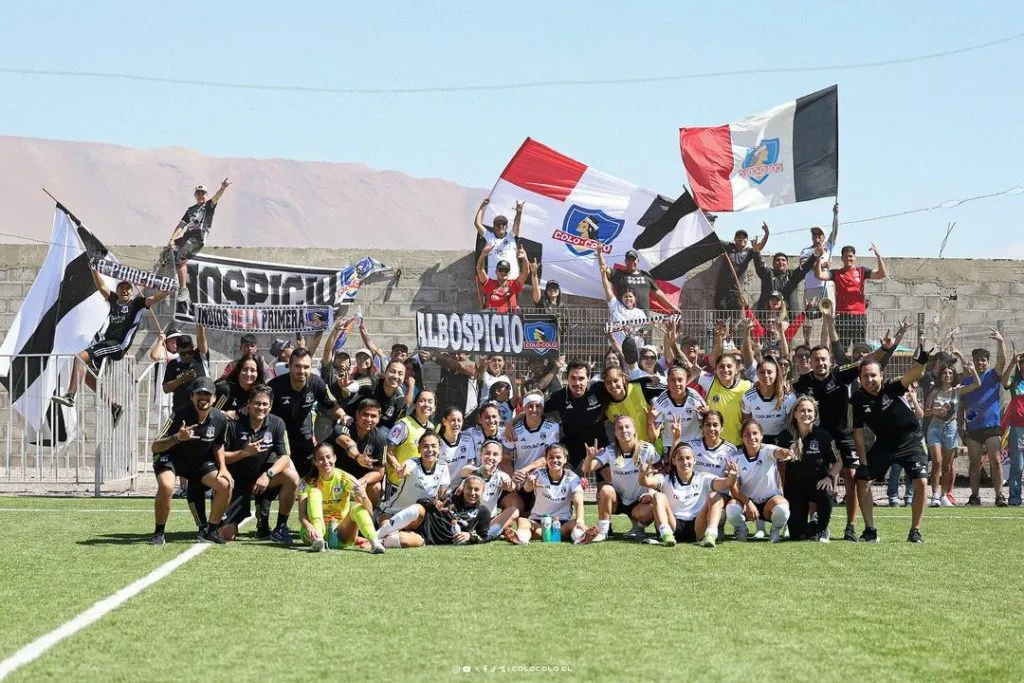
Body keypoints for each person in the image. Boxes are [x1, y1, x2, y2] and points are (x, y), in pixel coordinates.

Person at [793, 327, 905, 542]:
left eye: (824, 359)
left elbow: (867, 361)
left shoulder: (840, 373)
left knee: (852, 477)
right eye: (816, 360)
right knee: (817, 477)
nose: (820, 364)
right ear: (811, 362)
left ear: (830, 360)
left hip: (844, 435)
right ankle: (818, 522)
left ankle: (850, 526)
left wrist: (885, 348)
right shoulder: (803, 381)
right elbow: (781, 386)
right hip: (820, 436)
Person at [53, 271, 169, 423]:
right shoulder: (114, 299)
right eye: (122, 288)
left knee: (80, 357)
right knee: (89, 377)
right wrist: (93, 270)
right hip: (106, 343)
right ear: (118, 290)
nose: (125, 291)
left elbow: (155, 298)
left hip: (118, 345)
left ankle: (70, 396)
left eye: (128, 288)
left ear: (132, 290)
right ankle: (113, 405)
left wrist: (168, 289)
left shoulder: (137, 303)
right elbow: (101, 287)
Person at [851, 347, 932, 543]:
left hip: (911, 440)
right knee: (862, 481)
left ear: (882, 375)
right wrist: (862, 462)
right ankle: (870, 531)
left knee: (920, 482)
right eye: (865, 376)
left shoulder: (892, 387)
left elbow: (913, 374)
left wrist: (922, 360)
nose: (869, 380)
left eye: (873, 376)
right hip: (885, 445)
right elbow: (858, 432)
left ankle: (915, 531)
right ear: (860, 378)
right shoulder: (858, 399)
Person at [149, 377, 233, 545]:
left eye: (207, 394)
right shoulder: (179, 414)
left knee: (226, 484)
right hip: (171, 458)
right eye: (199, 394)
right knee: (166, 486)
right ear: (192, 397)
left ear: (215, 398)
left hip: (198, 462)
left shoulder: (220, 419)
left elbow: (218, 445)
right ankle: (159, 533)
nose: (203, 398)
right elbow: (155, 446)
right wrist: (178, 438)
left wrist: (223, 467)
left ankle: (211, 530)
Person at [641, 417, 736, 547]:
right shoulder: (667, 478)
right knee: (658, 496)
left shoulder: (703, 477)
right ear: (674, 461)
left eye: (688, 458)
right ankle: (666, 535)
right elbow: (646, 482)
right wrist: (643, 474)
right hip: (673, 524)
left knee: (715, 496)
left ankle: (710, 535)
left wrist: (732, 476)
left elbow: (726, 483)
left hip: (697, 526)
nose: (685, 462)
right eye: (680, 459)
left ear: (694, 460)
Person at [221, 385, 298, 542]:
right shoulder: (234, 422)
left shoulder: (277, 423)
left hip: (264, 479)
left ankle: (280, 528)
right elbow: (221, 457)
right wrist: (244, 453)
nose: (260, 407)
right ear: (248, 404)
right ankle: (255, 511)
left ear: (270, 406)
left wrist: (267, 474)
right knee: (226, 535)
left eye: (265, 404)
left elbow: (285, 457)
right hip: (238, 481)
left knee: (292, 476)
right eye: (256, 403)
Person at [581, 416, 660, 543]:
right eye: (619, 428)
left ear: (634, 429)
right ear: (615, 433)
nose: (624, 430)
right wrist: (589, 458)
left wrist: (650, 493)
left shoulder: (647, 449)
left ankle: (638, 529)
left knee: (654, 504)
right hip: (617, 500)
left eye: (627, 427)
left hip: (639, 500)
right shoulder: (610, 450)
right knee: (605, 489)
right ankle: (603, 531)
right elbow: (587, 468)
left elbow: (656, 473)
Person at [267, 348, 345, 479]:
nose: (301, 371)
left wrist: (344, 416)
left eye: (306, 367)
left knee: (309, 474)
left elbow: (332, 406)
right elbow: (261, 408)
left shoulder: (316, 383)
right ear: (290, 366)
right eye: (297, 366)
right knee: (283, 475)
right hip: (278, 435)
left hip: (303, 434)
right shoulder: (275, 386)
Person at [297, 443, 385, 553]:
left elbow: (369, 512)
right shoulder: (306, 482)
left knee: (357, 507)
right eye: (320, 459)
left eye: (328, 457)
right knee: (315, 492)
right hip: (312, 533)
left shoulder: (345, 478)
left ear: (334, 458)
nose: (325, 462)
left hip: (340, 534)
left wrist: (363, 495)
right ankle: (318, 541)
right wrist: (309, 526)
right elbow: (302, 515)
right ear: (314, 462)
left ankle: (375, 543)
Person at [776, 396, 840, 542]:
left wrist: (829, 477)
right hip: (795, 490)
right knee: (796, 536)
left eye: (810, 411)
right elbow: (776, 462)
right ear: (795, 414)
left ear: (815, 414)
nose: (806, 414)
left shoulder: (823, 436)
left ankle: (823, 529)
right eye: (802, 410)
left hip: (817, 487)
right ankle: (812, 526)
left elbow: (838, 462)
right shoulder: (785, 436)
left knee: (826, 492)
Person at [923, 353, 979, 507]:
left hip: (951, 429)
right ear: (941, 376)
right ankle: (934, 495)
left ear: (953, 375)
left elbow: (977, 384)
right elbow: (924, 412)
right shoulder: (934, 392)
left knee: (947, 465)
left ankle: (944, 495)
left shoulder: (958, 390)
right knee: (937, 462)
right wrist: (935, 411)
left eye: (950, 373)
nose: (947, 375)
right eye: (945, 373)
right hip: (934, 428)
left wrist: (973, 370)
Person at [377, 475, 492, 548]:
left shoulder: (483, 511)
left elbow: (484, 537)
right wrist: (432, 504)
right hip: (424, 521)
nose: (472, 493)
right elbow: (421, 502)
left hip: (429, 538)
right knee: (416, 509)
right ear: (463, 489)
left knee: (401, 540)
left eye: (476, 490)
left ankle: (380, 541)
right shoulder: (451, 498)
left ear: (483, 491)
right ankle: (374, 537)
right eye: (469, 488)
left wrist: (470, 536)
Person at [502, 444, 587, 545]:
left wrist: (580, 520)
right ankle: (521, 538)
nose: (555, 460)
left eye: (558, 457)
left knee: (575, 524)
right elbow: (527, 489)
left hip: (561, 524)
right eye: (551, 457)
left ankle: (580, 537)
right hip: (538, 523)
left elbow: (578, 501)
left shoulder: (573, 477)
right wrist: (529, 484)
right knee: (523, 521)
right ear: (546, 459)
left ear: (565, 459)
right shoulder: (538, 473)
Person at [724, 420, 792, 543]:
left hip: (769, 502)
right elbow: (733, 487)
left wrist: (787, 452)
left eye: (755, 433)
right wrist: (748, 503)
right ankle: (741, 529)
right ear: (741, 437)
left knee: (782, 508)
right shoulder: (734, 456)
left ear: (761, 435)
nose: (752, 437)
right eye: (747, 434)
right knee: (732, 508)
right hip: (746, 502)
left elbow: (779, 452)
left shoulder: (768, 450)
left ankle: (775, 531)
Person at [813, 242, 887, 353]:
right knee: (841, 348)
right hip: (842, 316)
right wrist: (819, 257)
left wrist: (878, 256)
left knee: (860, 348)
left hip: (859, 316)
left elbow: (881, 274)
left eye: (851, 256)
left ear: (855, 258)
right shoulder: (836, 273)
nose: (849, 258)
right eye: (846, 256)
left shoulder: (862, 271)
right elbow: (819, 275)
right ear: (842, 258)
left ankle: (859, 368)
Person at [962, 330, 1008, 506]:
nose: (980, 362)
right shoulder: (966, 381)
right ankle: (974, 496)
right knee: (974, 464)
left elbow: (1002, 361)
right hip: (973, 429)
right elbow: (961, 407)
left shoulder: (993, 375)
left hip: (992, 427)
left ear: (987, 362)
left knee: (995, 461)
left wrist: (1000, 342)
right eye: (977, 359)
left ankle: (1000, 496)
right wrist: (961, 425)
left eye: (983, 359)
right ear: (973, 362)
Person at [166, 179, 231, 300]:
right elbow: (181, 225)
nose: (201, 195)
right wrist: (171, 239)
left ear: (206, 195)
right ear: (195, 195)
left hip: (198, 238)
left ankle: (183, 289)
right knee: (169, 248)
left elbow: (216, 197)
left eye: (203, 193)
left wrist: (222, 188)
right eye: (198, 193)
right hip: (187, 236)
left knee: (180, 259)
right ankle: (168, 271)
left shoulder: (208, 206)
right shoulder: (190, 209)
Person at [542, 361, 610, 470]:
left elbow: (621, 391)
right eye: (573, 378)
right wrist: (512, 422)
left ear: (588, 378)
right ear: (567, 378)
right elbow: (535, 408)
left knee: (607, 485)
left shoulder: (599, 389)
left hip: (598, 446)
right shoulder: (559, 396)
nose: (577, 383)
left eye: (581, 378)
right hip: (571, 447)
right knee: (561, 477)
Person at [379, 430, 451, 520]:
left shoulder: (443, 467)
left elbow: (441, 494)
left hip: (420, 518)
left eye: (434, 446)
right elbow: (405, 470)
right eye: (425, 446)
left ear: (439, 449)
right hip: (394, 512)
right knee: (390, 533)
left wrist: (438, 503)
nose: (430, 450)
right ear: (418, 449)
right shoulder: (411, 462)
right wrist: (401, 473)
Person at [330, 398, 388, 507]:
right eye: (365, 414)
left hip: (359, 479)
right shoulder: (345, 425)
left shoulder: (380, 439)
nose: (369, 419)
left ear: (379, 418)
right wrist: (358, 456)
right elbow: (346, 442)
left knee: (376, 487)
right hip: (335, 474)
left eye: (373, 416)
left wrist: (360, 482)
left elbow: (379, 472)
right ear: (357, 414)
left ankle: (371, 519)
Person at [458, 439, 519, 539]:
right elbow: (463, 471)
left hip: (489, 520)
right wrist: (479, 469)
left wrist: (509, 486)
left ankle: (488, 533)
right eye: (487, 453)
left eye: (495, 454)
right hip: (470, 518)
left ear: (500, 458)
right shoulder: (473, 471)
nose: (491, 457)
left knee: (514, 510)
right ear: (481, 455)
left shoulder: (501, 475)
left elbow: (511, 485)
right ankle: (492, 533)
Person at [697, 352, 753, 446]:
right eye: (721, 366)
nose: (725, 369)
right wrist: (673, 345)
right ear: (715, 370)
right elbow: (687, 366)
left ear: (736, 369)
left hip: (736, 444)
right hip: (712, 443)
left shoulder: (747, 386)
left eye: (729, 366)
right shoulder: (710, 382)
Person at [597, 247, 648, 349]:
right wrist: (603, 274)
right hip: (617, 348)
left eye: (630, 297)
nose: (628, 299)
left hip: (636, 348)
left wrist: (637, 331)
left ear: (634, 299)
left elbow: (644, 331)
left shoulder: (640, 313)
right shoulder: (616, 306)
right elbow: (607, 288)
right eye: (626, 297)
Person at [605, 248, 681, 313]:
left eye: (633, 259)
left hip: (643, 318)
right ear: (625, 261)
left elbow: (659, 294)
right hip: (625, 317)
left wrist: (673, 308)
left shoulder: (645, 275)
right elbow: (604, 268)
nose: (631, 262)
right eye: (629, 260)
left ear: (638, 261)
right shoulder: (618, 274)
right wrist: (599, 253)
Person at [385, 390, 437, 485]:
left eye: (430, 401)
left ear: (434, 408)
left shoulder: (432, 428)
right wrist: (398, 467)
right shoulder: (402, 425)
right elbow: (387, 451)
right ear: (415, 404)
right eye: (422, 401)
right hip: (398, 485)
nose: (426, 404)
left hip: (419, 485)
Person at [740, 357, 796, 445]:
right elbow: (746, 420)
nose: (766, 375)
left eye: (769, 372)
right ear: (757, 374)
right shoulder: (748, 396)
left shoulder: (788, 396)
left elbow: (793, 422)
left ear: (776, 373)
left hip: (781, 439)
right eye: (762, 372)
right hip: (758, 439)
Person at [343, 360, 408, 434]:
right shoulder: (373, 381)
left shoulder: (400, 398)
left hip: (373, 433)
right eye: (392, 371)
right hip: (350, 422)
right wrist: (348, 386)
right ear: (385, 373)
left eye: (400, 374)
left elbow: (390, 426)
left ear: (404, 377)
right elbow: (357, 385)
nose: (396, 376)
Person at [714, 227, 767, 312]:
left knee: (735, 320)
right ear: (735, 239)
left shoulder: (749, 252)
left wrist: (766, 234)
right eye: (739, 237)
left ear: (747, 240)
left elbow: (759, 247)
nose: (741, 239)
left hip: (737, 291)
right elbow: (716, 239)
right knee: (721, 319)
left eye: (744, 237)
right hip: (722, 289)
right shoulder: (730, 247)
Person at [752, 247, 819, 314]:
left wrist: (815, 255)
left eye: (783, 260)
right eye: (778, 260)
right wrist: (756, 253)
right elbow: (760, 266)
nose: (780, 262)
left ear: (787, 264)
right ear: (773, 264)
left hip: (791, 317)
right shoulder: (768, 274)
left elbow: (804, 268)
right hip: (767, 317)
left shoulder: (793, 275)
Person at [799, 204, 840, 310]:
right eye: (814, 235)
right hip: (811, 287)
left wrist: (835, 215)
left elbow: (835, 231)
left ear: (823, 237)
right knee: (809, 319)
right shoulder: (806, 251)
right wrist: (822, 265)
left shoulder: (828, 246)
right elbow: (805, 265)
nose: (816, 237)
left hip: (826, 286)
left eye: (819, 235)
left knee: (829, 319)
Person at [161, 331, 210, 413]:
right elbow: (166, 389)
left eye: (190, 352)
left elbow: (202, 336)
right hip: (180, 410)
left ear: (193, 348)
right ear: (177, 350)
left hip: (201, 410)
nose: (187, 356)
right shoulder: (173, 364)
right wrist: (181, 379)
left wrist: (199, 323)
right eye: (183, 354)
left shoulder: (200, 357)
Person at [474, 197, 522, 280]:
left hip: (512, 280)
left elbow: (516, 224)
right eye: (498, 224)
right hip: (494, 280)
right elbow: (477, 224)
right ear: (493, 227)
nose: (500, 226)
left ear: (507, 227)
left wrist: (519, 212)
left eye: (503, 224)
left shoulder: (511, 236)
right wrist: (482, 206)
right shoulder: (490, 237)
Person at [420, 350, 478, 416]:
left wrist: (434, 357)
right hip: (444, 407)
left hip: (464, 411)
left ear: (467, 355)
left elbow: (454, 365)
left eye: (459, 353)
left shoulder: (471, 365)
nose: (456, 356)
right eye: (453, 353)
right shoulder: (447, 366)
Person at [476, 244, 531, 313]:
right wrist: (483, 255)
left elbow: (525, 273)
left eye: (506, 270)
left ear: (509, 272)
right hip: (493, 319)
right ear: (496, 271)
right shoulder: (489, 284)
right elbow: (479, 269)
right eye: (500, 270)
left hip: (511, 319)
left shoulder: (513, 284)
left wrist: (524, 258)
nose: (503, 272)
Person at [1000, 352, 1024, 506]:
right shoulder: (1015, 381)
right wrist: (1011, 362)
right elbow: (1003, 382)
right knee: (1018, 464)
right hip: (1017, 427)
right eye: (1022, 363)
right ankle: (1015, 498)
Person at [214, 353, 266, 419]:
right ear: (239, 371)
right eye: (245, 369)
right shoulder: (225, 390)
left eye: (253, 370)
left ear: (258, 373)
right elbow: (210, 413)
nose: (248, 374)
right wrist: (223, 414)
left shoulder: (260, 393)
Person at [437, 407, 477, 488]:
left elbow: (471, 463)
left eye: (459, 420)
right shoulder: (436, 441)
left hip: (460, 487)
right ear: (444, 421)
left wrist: (463, 484)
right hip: (439, 487)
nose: (456, 423)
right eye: (453, 420)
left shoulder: (467, 439)